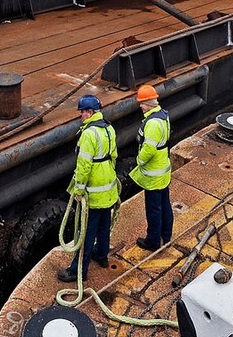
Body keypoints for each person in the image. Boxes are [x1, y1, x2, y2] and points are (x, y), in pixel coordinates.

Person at [57, 94, 119, 283]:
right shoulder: (109, 128)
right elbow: (114, 155)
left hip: (94, 190)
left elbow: (84, 165)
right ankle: (101, 256)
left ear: (90, 112)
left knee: (85, 231)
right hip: (109, 185)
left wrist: (78, 190)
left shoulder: (88, 134)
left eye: (82, 112)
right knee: (103, 224)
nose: (80, 116)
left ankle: (78, 271)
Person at [129, 84, 173, 251]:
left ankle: (153, 241)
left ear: (149, 103)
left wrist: (139, 160)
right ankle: (166, 236)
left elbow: (149, 149)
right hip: (163, 170)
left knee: (154, 210)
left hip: (154, 175)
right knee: (165, 205)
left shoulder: (152, 123)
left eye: (142, 102)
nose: (140, 106)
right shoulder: (163, 115)